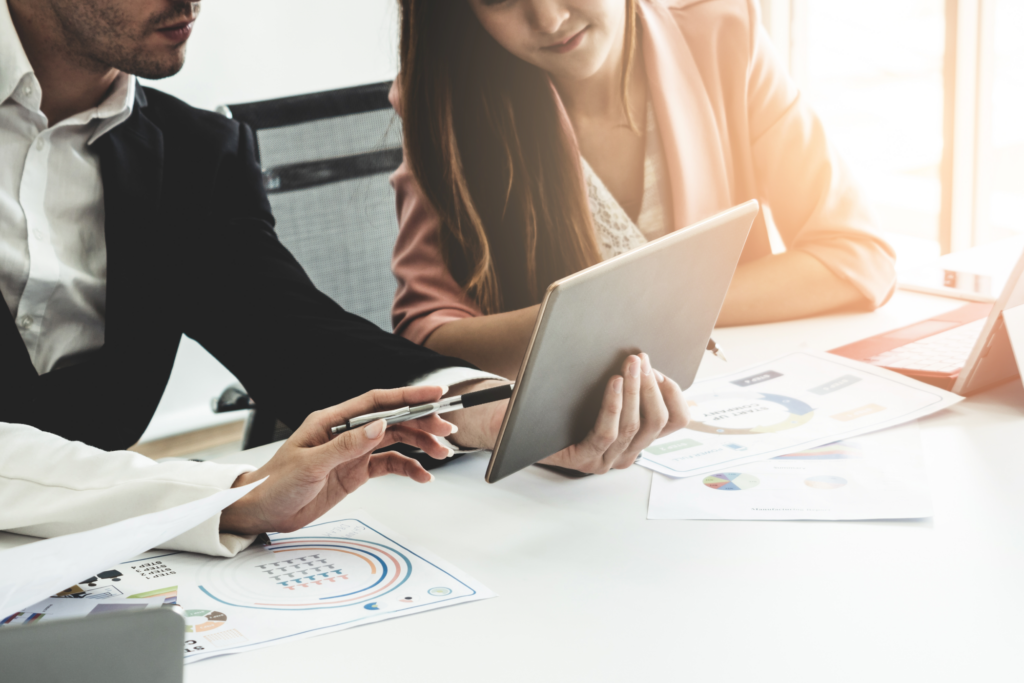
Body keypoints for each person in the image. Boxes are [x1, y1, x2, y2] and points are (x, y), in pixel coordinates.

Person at [0, 0, 686, 557]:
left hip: (85, 566)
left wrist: (504, 415)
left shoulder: (192, 155)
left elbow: (303, 344)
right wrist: (228, 492)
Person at [389, 0, 898, 382]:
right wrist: (623, 316)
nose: (547, 17)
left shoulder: (724, 37)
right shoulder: (447, 104)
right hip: (573, 457)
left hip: (736, 402)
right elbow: (427, 336)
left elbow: (856, 258)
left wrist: (632, 313)